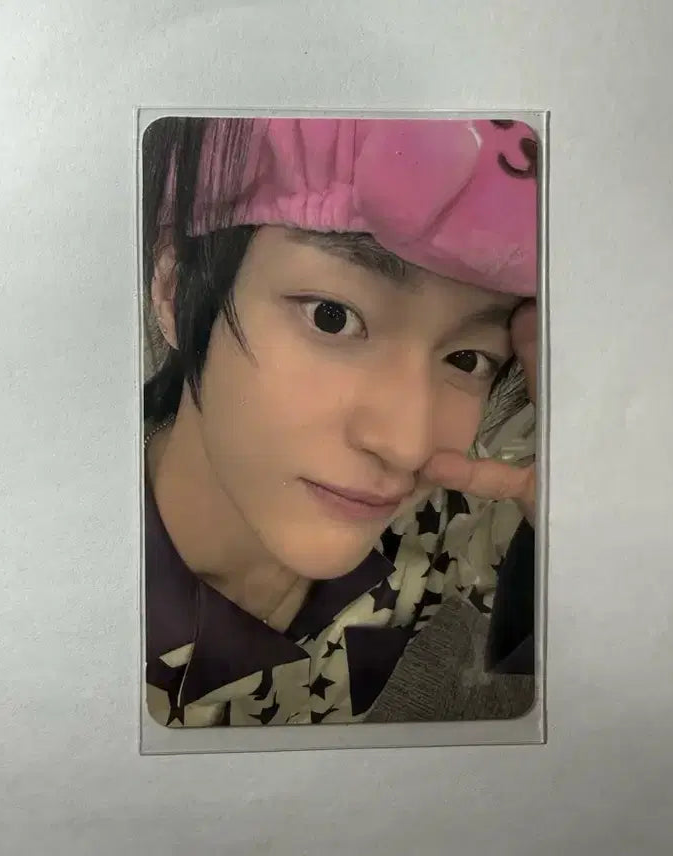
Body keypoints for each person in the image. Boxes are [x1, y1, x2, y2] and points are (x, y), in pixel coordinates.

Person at [142, 116, 539, 727]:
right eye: (333, 317)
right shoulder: (42, 600)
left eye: (467, 359)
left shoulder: (449, 524)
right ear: (175, 290)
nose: (407, 446)